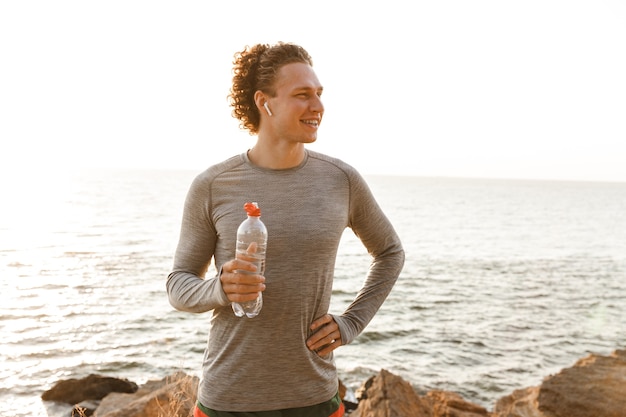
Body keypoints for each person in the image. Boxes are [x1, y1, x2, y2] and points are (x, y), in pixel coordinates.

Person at [166, 42, 404, 417]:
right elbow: (179, 285)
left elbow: (390, 252)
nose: (318, 106)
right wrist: (219, 288)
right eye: (302, 95)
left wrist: (351, 322)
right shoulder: (213, 185)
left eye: (320, 94)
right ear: (266, 102)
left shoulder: (341, 180)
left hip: (313, 396)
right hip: (229, 398)